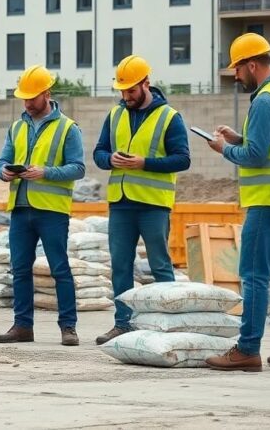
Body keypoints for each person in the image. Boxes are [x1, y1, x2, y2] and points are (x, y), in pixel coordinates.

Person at [203, 33, 270, 372]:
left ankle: (247, 349)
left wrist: (224, 148)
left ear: (252, 65)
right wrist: (238, 137)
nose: (235, 76)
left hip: (269, 200)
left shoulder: (265, 101)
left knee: (252, 274)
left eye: (237, 69)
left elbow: (255, 155)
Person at [93, 55, 190, 345]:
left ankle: (167, 325)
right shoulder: (115, 115)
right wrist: (109, 159)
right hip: (121, 203)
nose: (126, 96)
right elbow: (98, 153)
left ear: (146, 84)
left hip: (153, 205)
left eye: (131, 90)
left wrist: (144, 163)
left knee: (160, 265)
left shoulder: (170, 117)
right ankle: (123, 323)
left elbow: (182, 159)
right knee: (120, 265)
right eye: (122, 91)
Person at [0, 65, 85, 347]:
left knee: (60, 268)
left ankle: (68, 327)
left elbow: (78, 168)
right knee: (20, 269)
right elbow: (1, 161)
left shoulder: (68, 128)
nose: (27, 103)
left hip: (52, 211)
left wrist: (46, 172)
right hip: (20, 208)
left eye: (32, 97)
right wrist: (4, 171)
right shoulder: (17, 127)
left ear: (47, 93)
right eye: (24, 98)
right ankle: (23, 326)